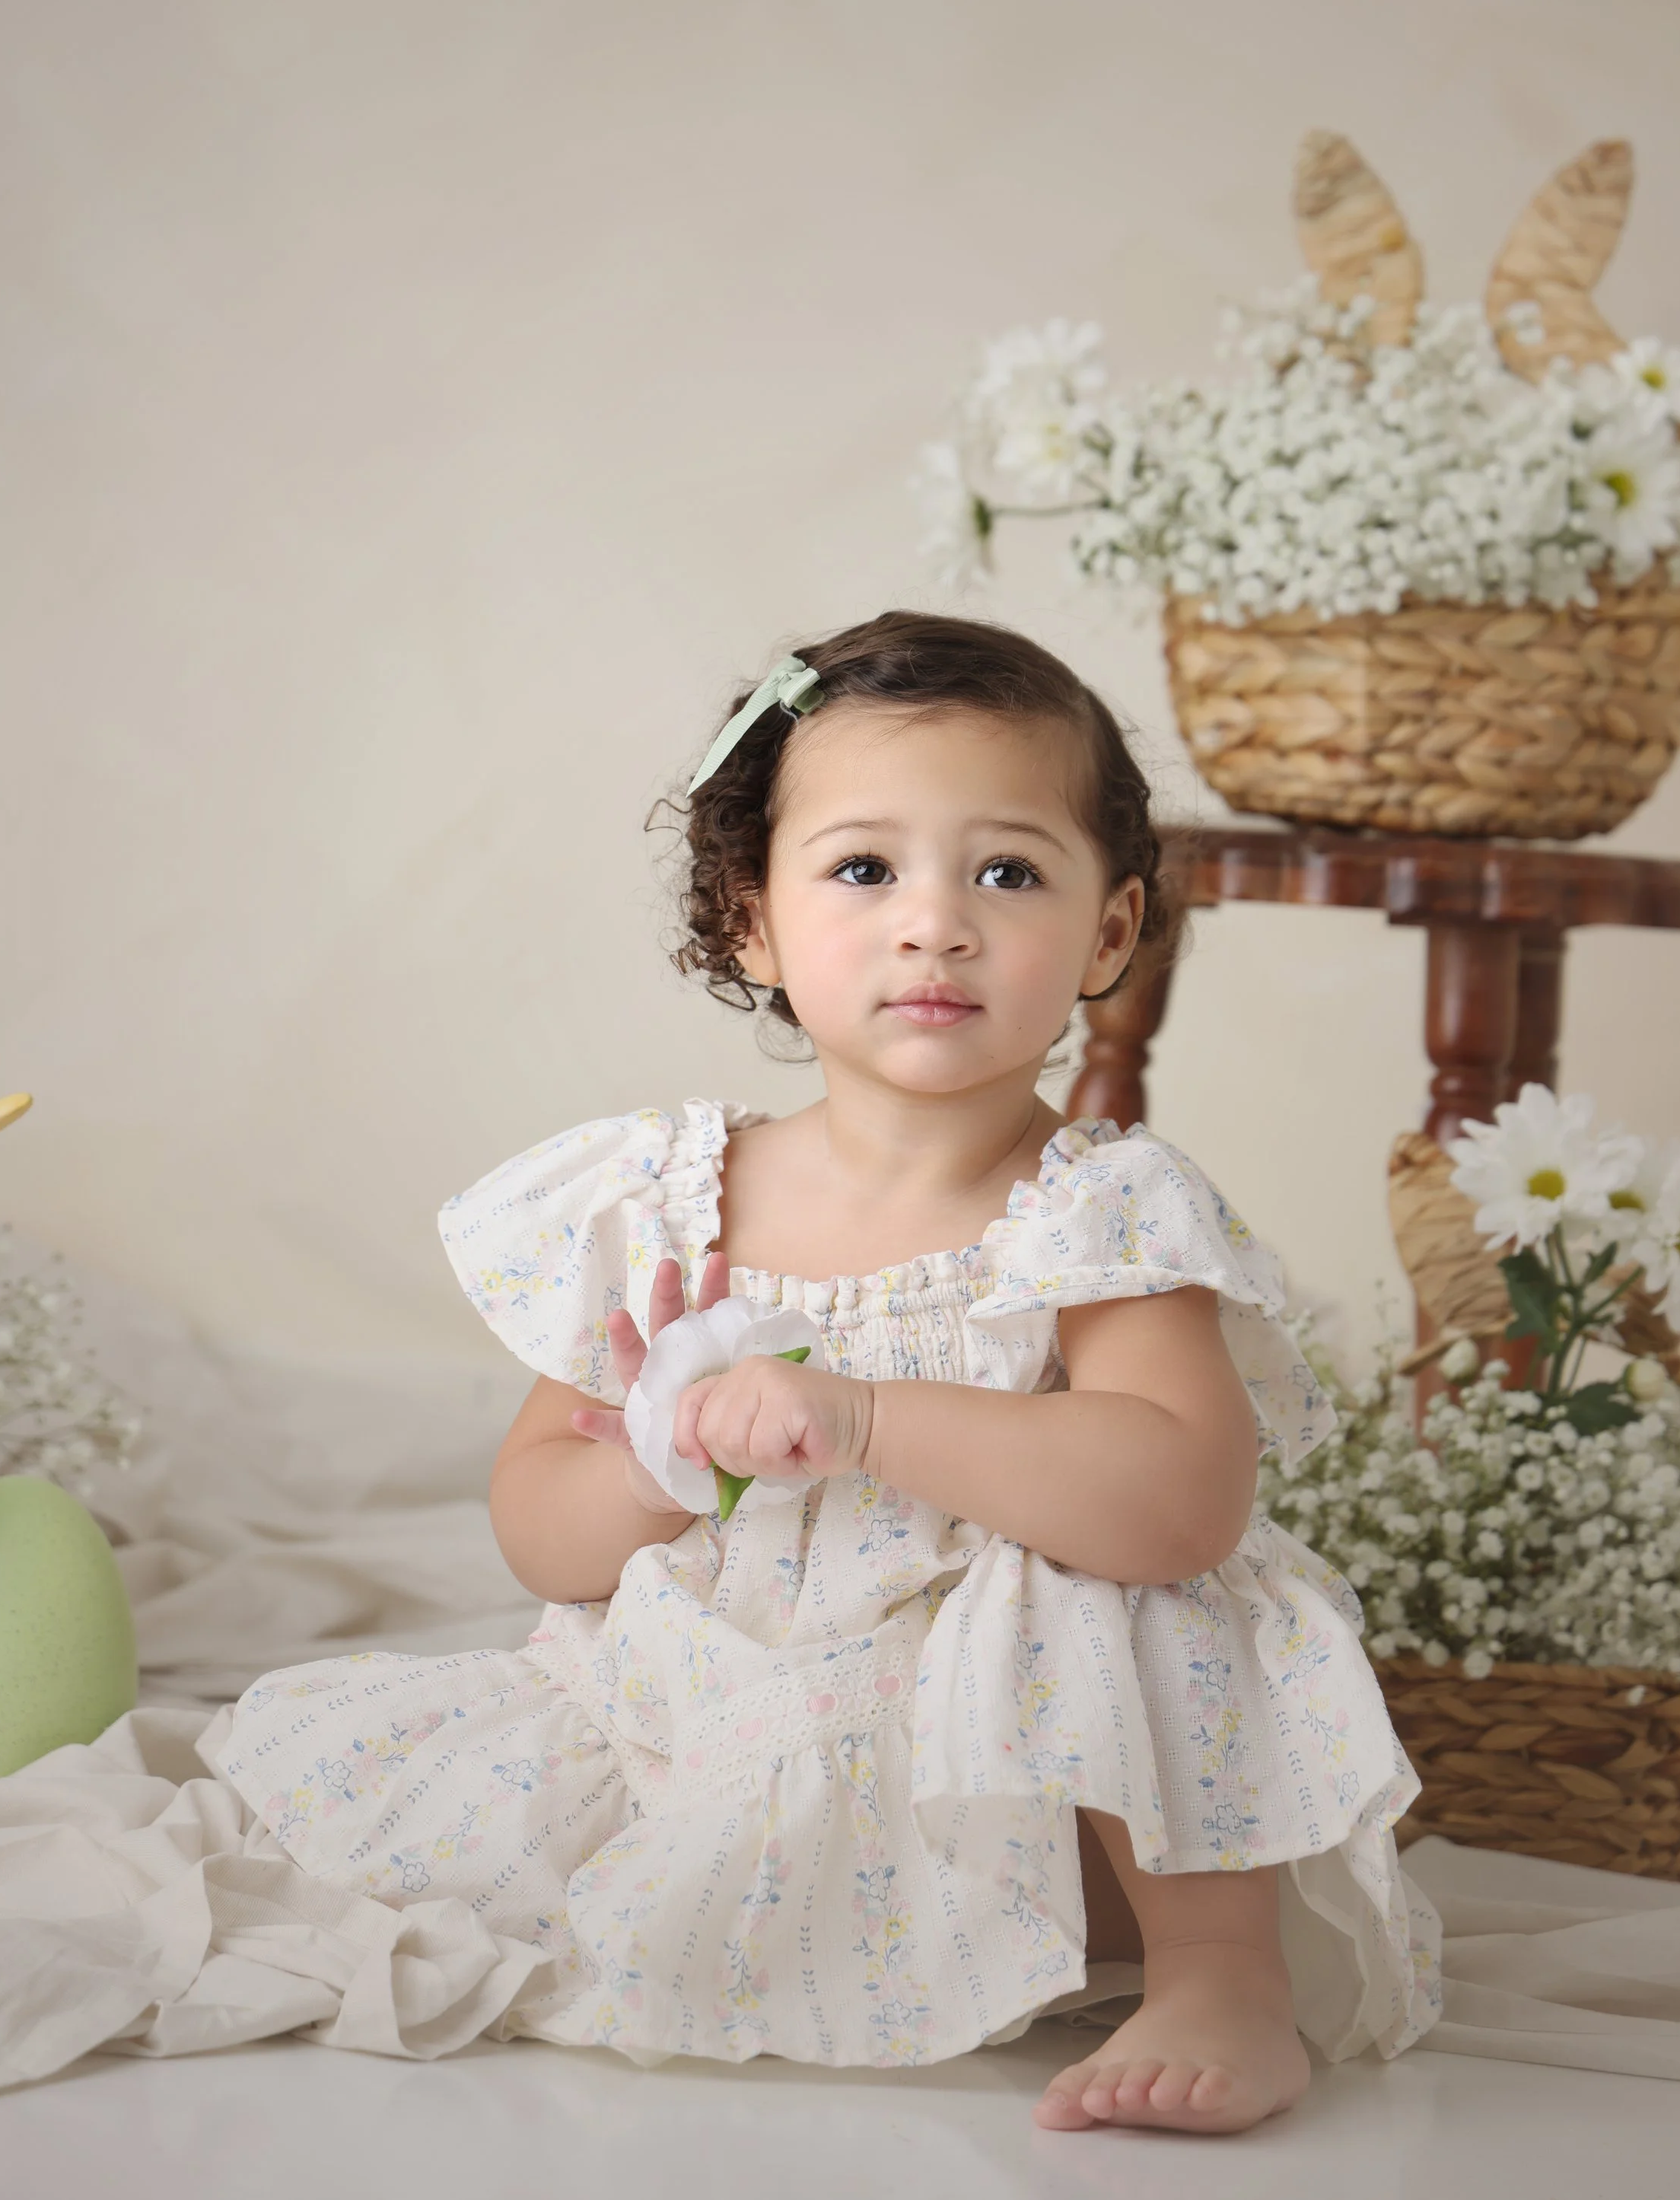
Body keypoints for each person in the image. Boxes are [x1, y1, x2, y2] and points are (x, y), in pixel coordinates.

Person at [211, 609, 1439, 2135]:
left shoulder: (1099, 1208)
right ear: (753, 923)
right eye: (863, 870)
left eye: (1007, 873)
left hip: (1022, 1778)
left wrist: (863, 1418)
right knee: (487, 1825)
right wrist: (649, 1461)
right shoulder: (665, 1202)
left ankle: (1215, 1973)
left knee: (1127, 1580)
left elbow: (1183, 1500)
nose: (936, 925)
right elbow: (537, 1532)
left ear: (1109, 933)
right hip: (728, 1707)